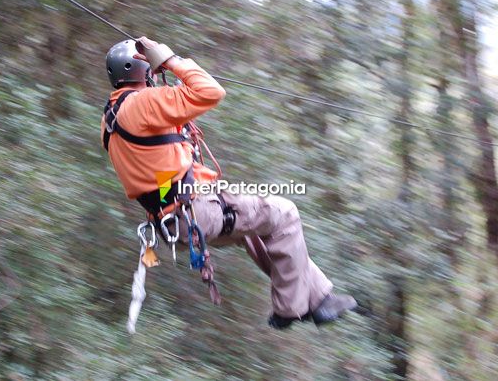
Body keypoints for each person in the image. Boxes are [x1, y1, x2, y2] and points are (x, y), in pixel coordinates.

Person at [101, 37, 357, 329]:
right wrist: (171, 60)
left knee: (257, 230)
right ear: (144, 72)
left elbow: (157, 164)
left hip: (174, 219)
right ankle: (290, 308)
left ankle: (320, 299)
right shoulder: (142, 104)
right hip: (193, 212)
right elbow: (210, 91)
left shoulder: (113, 117)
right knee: (284, 213)